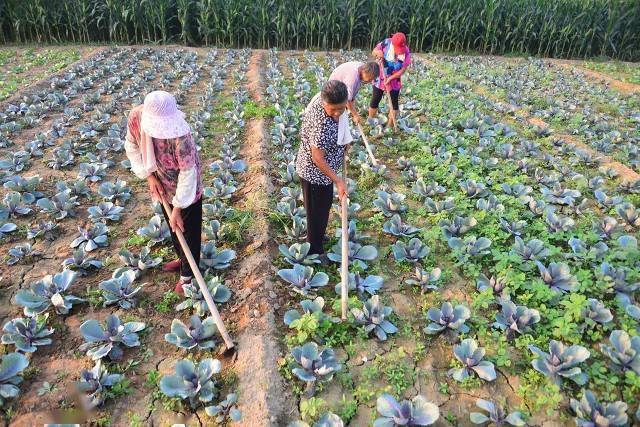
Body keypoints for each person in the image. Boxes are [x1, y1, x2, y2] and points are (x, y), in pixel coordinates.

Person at [124, 90, 203, 294]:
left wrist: (178, 207)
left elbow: (188, 173)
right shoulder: (136, 119)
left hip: (186, 187)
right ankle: (181, 257)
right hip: (161, 180)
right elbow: (132, 146)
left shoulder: (182, 137)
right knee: (173, 226)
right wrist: (149, 176)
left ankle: (189, 275)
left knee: (188, 228)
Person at [296, 80, 353, 258]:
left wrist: (345, 140)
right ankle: (314, 250)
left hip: (325, 173)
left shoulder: (333, 106)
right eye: (332, 109)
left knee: (322, 208)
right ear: (323, 102)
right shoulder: (322, 123)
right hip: (315, 174)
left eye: (341, 108)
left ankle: (318, 236)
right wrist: (338, 181)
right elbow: (317, 158)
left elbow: (341, 121)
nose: (337, 113)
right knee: (316, 213)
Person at [370, 32, 411, 127]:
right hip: (380, 76)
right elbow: (374, 52)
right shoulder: (386, 43)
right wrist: (377, 52)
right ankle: (371, 121)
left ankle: (389, 126)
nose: (398, 51)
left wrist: (391, 78)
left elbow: (402, 70)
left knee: (394, 102)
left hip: (394, 79)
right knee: (375, 99)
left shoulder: (406, 52)